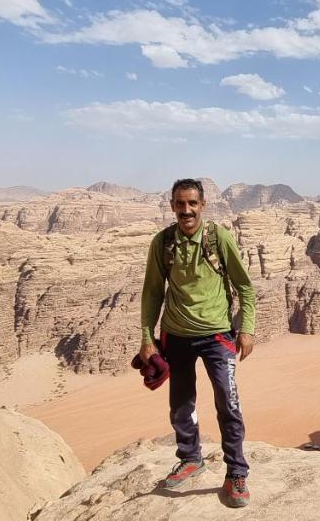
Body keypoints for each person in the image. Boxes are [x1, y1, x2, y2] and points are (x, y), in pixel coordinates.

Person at [139, 178, 256, 508]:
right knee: (181, 405)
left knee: (228, 403)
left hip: (217, 335)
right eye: (180, 203)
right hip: (176, 336)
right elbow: (151, 293)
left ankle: (236, 472)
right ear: (172, 205)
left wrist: (246, 329)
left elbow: (245, 288)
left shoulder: (219, 238)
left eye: (192, 203)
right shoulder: (162, 243)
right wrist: (148, 339)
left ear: (202, 205)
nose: (186, 210)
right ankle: (191, 458)